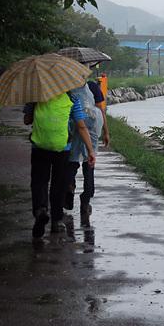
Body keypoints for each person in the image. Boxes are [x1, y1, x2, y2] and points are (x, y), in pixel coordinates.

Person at [23, 89, 94, 238]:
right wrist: (90, 150)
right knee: (59, 183)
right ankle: (57, 221)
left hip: (39, 146)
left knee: (39, 181)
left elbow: (26, 120)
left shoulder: (35, 97)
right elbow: (81, 126)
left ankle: (40, 209)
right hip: (63, 147)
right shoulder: (72, 99)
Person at [65, 79, 108, 228]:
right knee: (89, 163)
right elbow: (100, 111)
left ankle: (70, 186)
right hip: (92, 127)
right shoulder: (93, 86)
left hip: (74, 124)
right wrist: (106, 132)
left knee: (72, 161)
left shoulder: (67, 86)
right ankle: (85, 201)